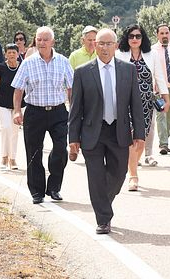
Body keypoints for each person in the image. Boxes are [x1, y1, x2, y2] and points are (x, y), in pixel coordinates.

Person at [68, 28, 144, 234]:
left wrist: (139, 133)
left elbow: (135, 104)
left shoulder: (127, 70)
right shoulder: (83, 72)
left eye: (109, 43)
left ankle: (103, 202)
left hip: (118, 130)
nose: (104, 47)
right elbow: (76, 108)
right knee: (95, 175)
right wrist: (73, 138)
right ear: (94, 46)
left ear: (116, 46)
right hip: (92, 131)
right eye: (100, 43)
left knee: (119, 173)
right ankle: (103, 218)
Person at [12, 26, 73, 204]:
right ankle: (37, 192)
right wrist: (17, 110)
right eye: (39, 39)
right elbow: (18, 89)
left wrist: (75, 110)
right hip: (34, 112)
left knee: (61, 149)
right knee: (33, 152)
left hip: (58, 112)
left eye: (45, 39)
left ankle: (54, 187)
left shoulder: (63, 61)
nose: (42, 42)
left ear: (52, 42)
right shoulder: (28, 62)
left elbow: (71, 88)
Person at [115, 24, 169, 192]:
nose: (135, 39)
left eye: (138, 36)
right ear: (127, 38)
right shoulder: (119, 55)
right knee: (131, 139)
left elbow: (159, 77)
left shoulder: (151, 55)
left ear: (143, 38)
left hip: (146, 102)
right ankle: (133, 176)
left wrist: (166, 99)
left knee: (142, 139)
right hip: (125, 103)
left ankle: (130, 167)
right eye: (131, 36)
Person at [0, 43, 23, 171]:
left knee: (14, 132)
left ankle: (12, 159)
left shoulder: (23, 67)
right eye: (9, 52)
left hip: (18, 105)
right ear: (5, 54)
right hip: (2, 104)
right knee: (6, 127)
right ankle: (4, 157)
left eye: (14, 52)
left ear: (18, 54)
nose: (12, 55)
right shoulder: (0, 68)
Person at [152, 24, 170, 155]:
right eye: (162, 33)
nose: (164, 35)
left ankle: (166, 137)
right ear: (157, 35)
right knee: (161, 114)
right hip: (159, 88)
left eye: (166, 33)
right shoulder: (152, 50)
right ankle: (163, 144)